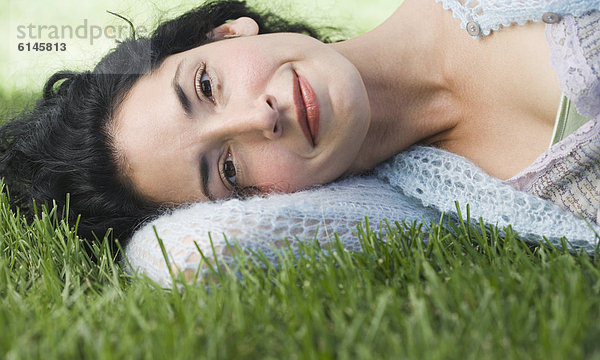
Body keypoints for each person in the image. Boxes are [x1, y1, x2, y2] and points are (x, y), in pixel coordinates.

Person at [1, 0, 599, 253]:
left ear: (228, 31)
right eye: (228, 168)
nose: (259, 117)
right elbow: (182, 256)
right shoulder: (438, 199)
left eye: (207, 87)